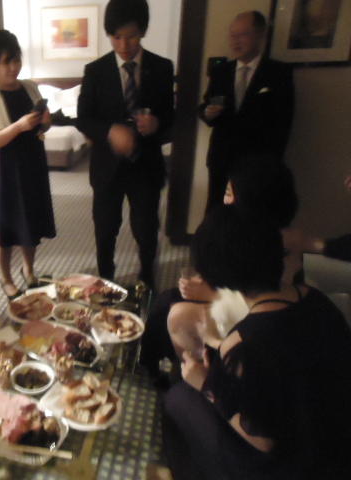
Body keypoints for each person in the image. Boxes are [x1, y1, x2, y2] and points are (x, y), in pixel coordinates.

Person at [164, 206, 351, 479]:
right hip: (336, 446)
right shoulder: (318, 299)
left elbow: (263, 440)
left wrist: (206, 384)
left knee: (177, 398)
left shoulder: (244, 342)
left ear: (219, 277)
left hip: (291, 467)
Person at [140, 157, 299, 379]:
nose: (225, 201)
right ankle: (153, 363)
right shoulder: (249, 230)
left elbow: (263, 304)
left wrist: (211, 294)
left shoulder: (278, 244)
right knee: (165, 300)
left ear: (253, 200)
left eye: (230, 194)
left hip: (244, 322)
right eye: (226, 193)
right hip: (232, 300)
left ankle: (189, 376)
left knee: (175, 313)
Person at [77, 0, 174, 288]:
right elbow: (83, 119)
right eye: (116, 36)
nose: (123, 45)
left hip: (146, 165)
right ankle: (106, 277)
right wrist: (110, 131)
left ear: (143, 31)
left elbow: (171, 117)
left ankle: (147, 277)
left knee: (146, 228)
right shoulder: (95, 71)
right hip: (107, 167)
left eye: (131, 36)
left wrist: (157, 125)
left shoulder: (162, 67)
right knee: (105, 228)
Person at [0, 29, 56, 299]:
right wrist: (18, 126)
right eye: (7, 61)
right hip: (1, 168)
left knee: (30, 220)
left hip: (31, 163)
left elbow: (42, 127)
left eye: (16, 60)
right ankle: (5, 279)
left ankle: (29, 270)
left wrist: (45, 121)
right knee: (2, 227)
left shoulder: (29, 87)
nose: (14, 67)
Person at [200, 11, 294, 212]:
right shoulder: (221, 71)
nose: (235, 41)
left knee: (252, 213)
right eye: (232, 35)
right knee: (216, 211)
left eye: (243, 34)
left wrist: (271, 163)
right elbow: (206, 105)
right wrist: (207, 113)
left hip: (258, 160)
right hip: (221, 156)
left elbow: (283, 123)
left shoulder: (279, 73)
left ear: (260, 35)